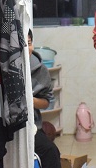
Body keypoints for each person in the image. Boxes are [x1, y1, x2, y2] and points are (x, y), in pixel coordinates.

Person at [28, 29, 61, 168]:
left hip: (32, 126)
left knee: (51, 151)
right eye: (22, 44)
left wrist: (30, 100)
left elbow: (46, 102)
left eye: (29, 43)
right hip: (7, 128)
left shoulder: (39, 69)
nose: (27, 48)